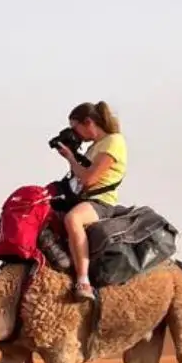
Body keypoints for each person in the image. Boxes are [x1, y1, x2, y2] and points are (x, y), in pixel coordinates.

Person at [52, 100, 128, 301]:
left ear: (88, 122)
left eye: (75, 128)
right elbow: (78, 180)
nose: (75, 134)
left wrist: (70, 158)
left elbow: (89, 179)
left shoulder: (114, 141)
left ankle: (83, 281)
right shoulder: (93, 147)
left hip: (101, 202)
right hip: (84, 198)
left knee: (73, 219)